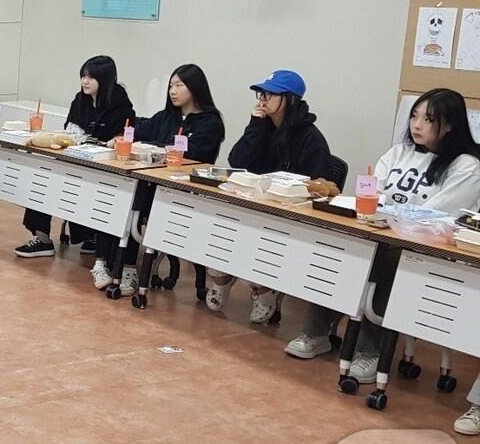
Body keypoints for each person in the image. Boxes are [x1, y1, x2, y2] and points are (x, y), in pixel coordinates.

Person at [285, 90, 480, 398]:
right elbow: (375, 191)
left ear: (449, 126)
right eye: (414, 116)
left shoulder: (467, 166)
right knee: (340, 245)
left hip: (430, 248)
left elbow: (440, 213)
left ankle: (370, 352)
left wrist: (387, 213)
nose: (417, 125)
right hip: (384, 230)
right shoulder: (399, 152)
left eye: (428, 120)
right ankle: (317, 332)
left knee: (387, 257)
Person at [206, 70, 330, 321]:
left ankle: (266, 290)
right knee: (220, 225)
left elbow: (314, 187)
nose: (262, 99)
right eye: (261, 93)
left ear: (290, 99)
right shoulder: (261, 126)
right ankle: (221, 278)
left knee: (261, 235)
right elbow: (236, 161)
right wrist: (255, 126)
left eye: (270, 94)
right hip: (252, 202)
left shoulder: (311, 138)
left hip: (285, 212)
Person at [92, 64, 224, 291]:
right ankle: (102, 261)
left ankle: (129, 268)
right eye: (171, 86)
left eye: (179, 85)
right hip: (151, 181)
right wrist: (123, 138)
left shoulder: (210, 122)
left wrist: (156, 148)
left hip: (181, 189)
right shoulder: (166, 117)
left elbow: (192, 153)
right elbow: (139, 134)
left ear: (195, 88)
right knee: (118, 194)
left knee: (133, 200)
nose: (173, 91)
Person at [15, 55, 134, 259]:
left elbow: (125, 135)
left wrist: (115, 139)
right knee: (41, 178)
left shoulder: (121, 106)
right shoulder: (80, 100)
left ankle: (93, 235)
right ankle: (43, 239)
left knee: (84, 185)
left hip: (103, 167)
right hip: (75, 158)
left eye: (91, 78)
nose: (85, 82)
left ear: (104, 80)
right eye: (83, 76)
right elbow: (69, 130)